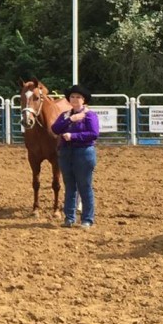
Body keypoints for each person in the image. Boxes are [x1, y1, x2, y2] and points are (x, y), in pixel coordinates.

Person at [52, 84, 100, 229]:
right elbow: (55, 128)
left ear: (83, 100)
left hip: (83, 152)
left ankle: (87, 219)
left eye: (78, 97)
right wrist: (71, 120)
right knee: (70, 187)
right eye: (72, 96)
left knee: (84, 186)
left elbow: (93, 133)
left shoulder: (89, 115)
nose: (74, 99)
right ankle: (69, 218)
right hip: (67, 153)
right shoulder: (67, 115)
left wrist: (73, 136)